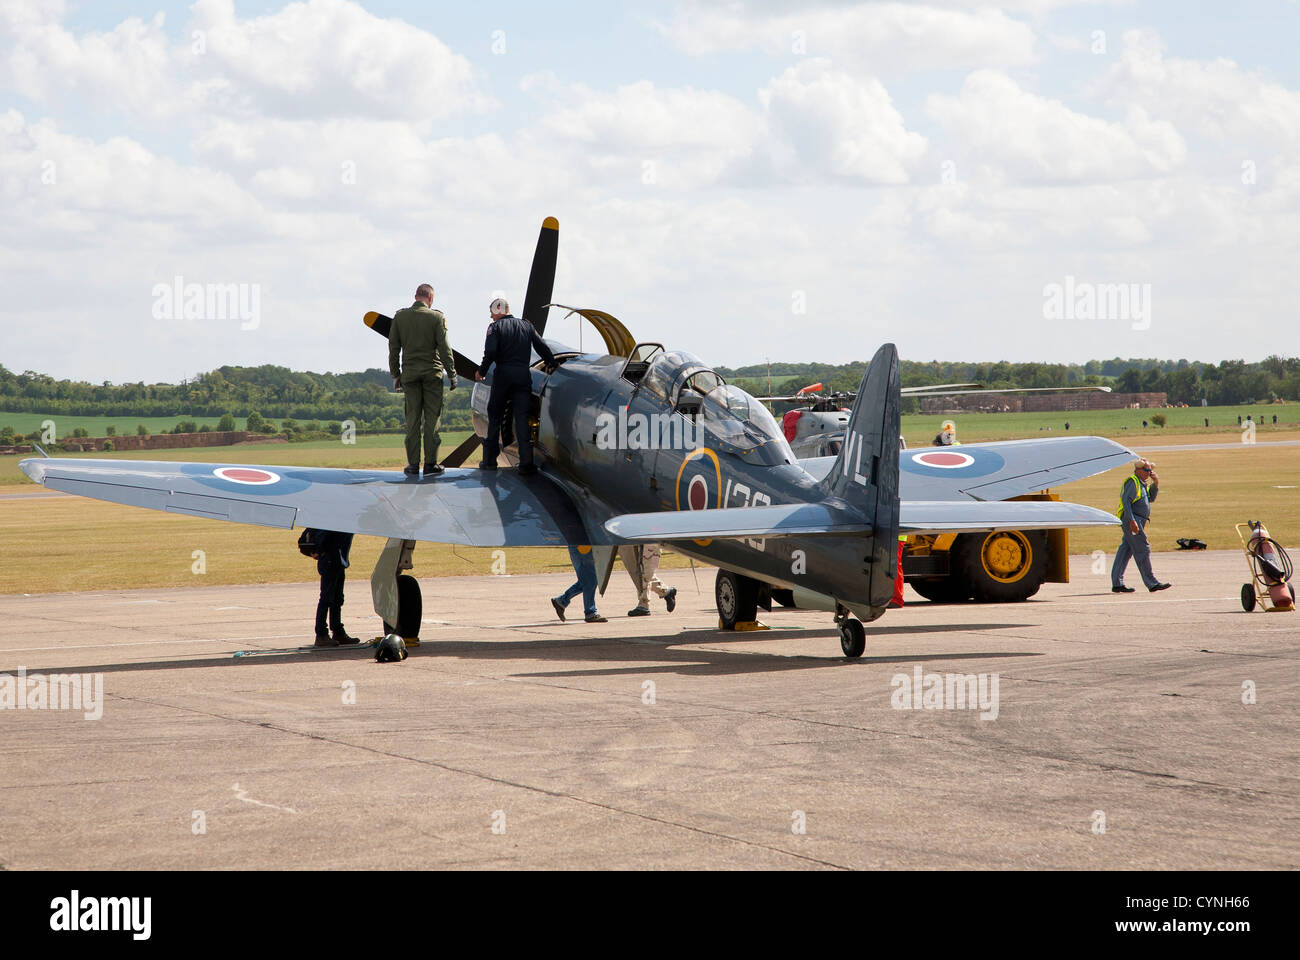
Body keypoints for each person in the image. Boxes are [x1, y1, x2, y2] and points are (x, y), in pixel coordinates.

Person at [475, 298, 555, 474]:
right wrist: (552, 363)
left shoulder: (494, 328)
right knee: (522, 418)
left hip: (503, 376)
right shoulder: (527, 326)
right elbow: (542, 346)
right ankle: (526, 463)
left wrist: (481, 371)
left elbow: (490, 352)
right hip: (522, 377)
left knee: (495, 416)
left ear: (498, 310)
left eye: (491, 313)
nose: (490, 316)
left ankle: (489, 461)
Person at [389, 283, 457, 477]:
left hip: (409, 376)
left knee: (412, 420)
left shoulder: (400, 317)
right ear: (430, 298)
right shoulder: (436, 317)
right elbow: (445, 348)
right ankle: (430, 464)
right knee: (432, 420)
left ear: (416, 296)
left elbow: (393, 348)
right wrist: (451, 374)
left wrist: (396, 375)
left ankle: (412, 465)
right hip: (432, 376)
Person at [1111, 459, 1171, 594]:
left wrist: (1155, 484)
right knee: (1143, 549)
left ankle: (1117, 583)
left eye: (1150, 471)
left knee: (1126, 550)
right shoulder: (1133, 482)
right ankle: (1152, 583)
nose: (1149, 473)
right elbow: (1126, 502)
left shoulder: (1142, 483)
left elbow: (1151, 498)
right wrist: (1132, 521)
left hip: (1137, 520)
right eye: (1147, 470)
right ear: (1138, 470)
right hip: (1132, 520)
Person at [313, 530, 360, 646]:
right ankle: (321, 634)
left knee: (337, 599)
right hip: (330, 561)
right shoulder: (334, 520)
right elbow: (321, 536)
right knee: (326, 599)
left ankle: (338, 631)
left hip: (338, 562)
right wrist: (321, 552)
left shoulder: (345, 520)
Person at [551, 545, 607, 623]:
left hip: (577, 546)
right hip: (583, 547)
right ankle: (590, 613)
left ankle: (561, 601)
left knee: (586, 581)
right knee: (590, 581)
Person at [619, 543, 677, 616]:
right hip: (632, 542)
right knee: (639, 575)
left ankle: (643, 605)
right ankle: (666, 591)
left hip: (650, 542)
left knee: (645, 573)